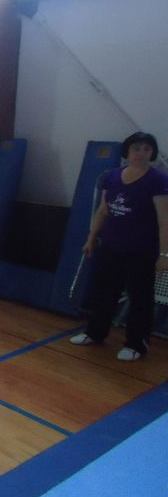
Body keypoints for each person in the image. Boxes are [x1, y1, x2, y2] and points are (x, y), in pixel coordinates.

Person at [70, 132, 168, 361]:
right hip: (111, 246)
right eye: (136, 148)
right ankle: (95, 333)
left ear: (152, 152)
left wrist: (164, 254)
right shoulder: (112, 177)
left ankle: (136, 344)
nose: (141, 153)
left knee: (140, 298)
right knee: (105, 292)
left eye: (146, 149)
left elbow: (164, 220)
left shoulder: (158, 180)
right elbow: (103, 211)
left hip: (141, 251)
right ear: (127, 151)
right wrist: (91, 238)